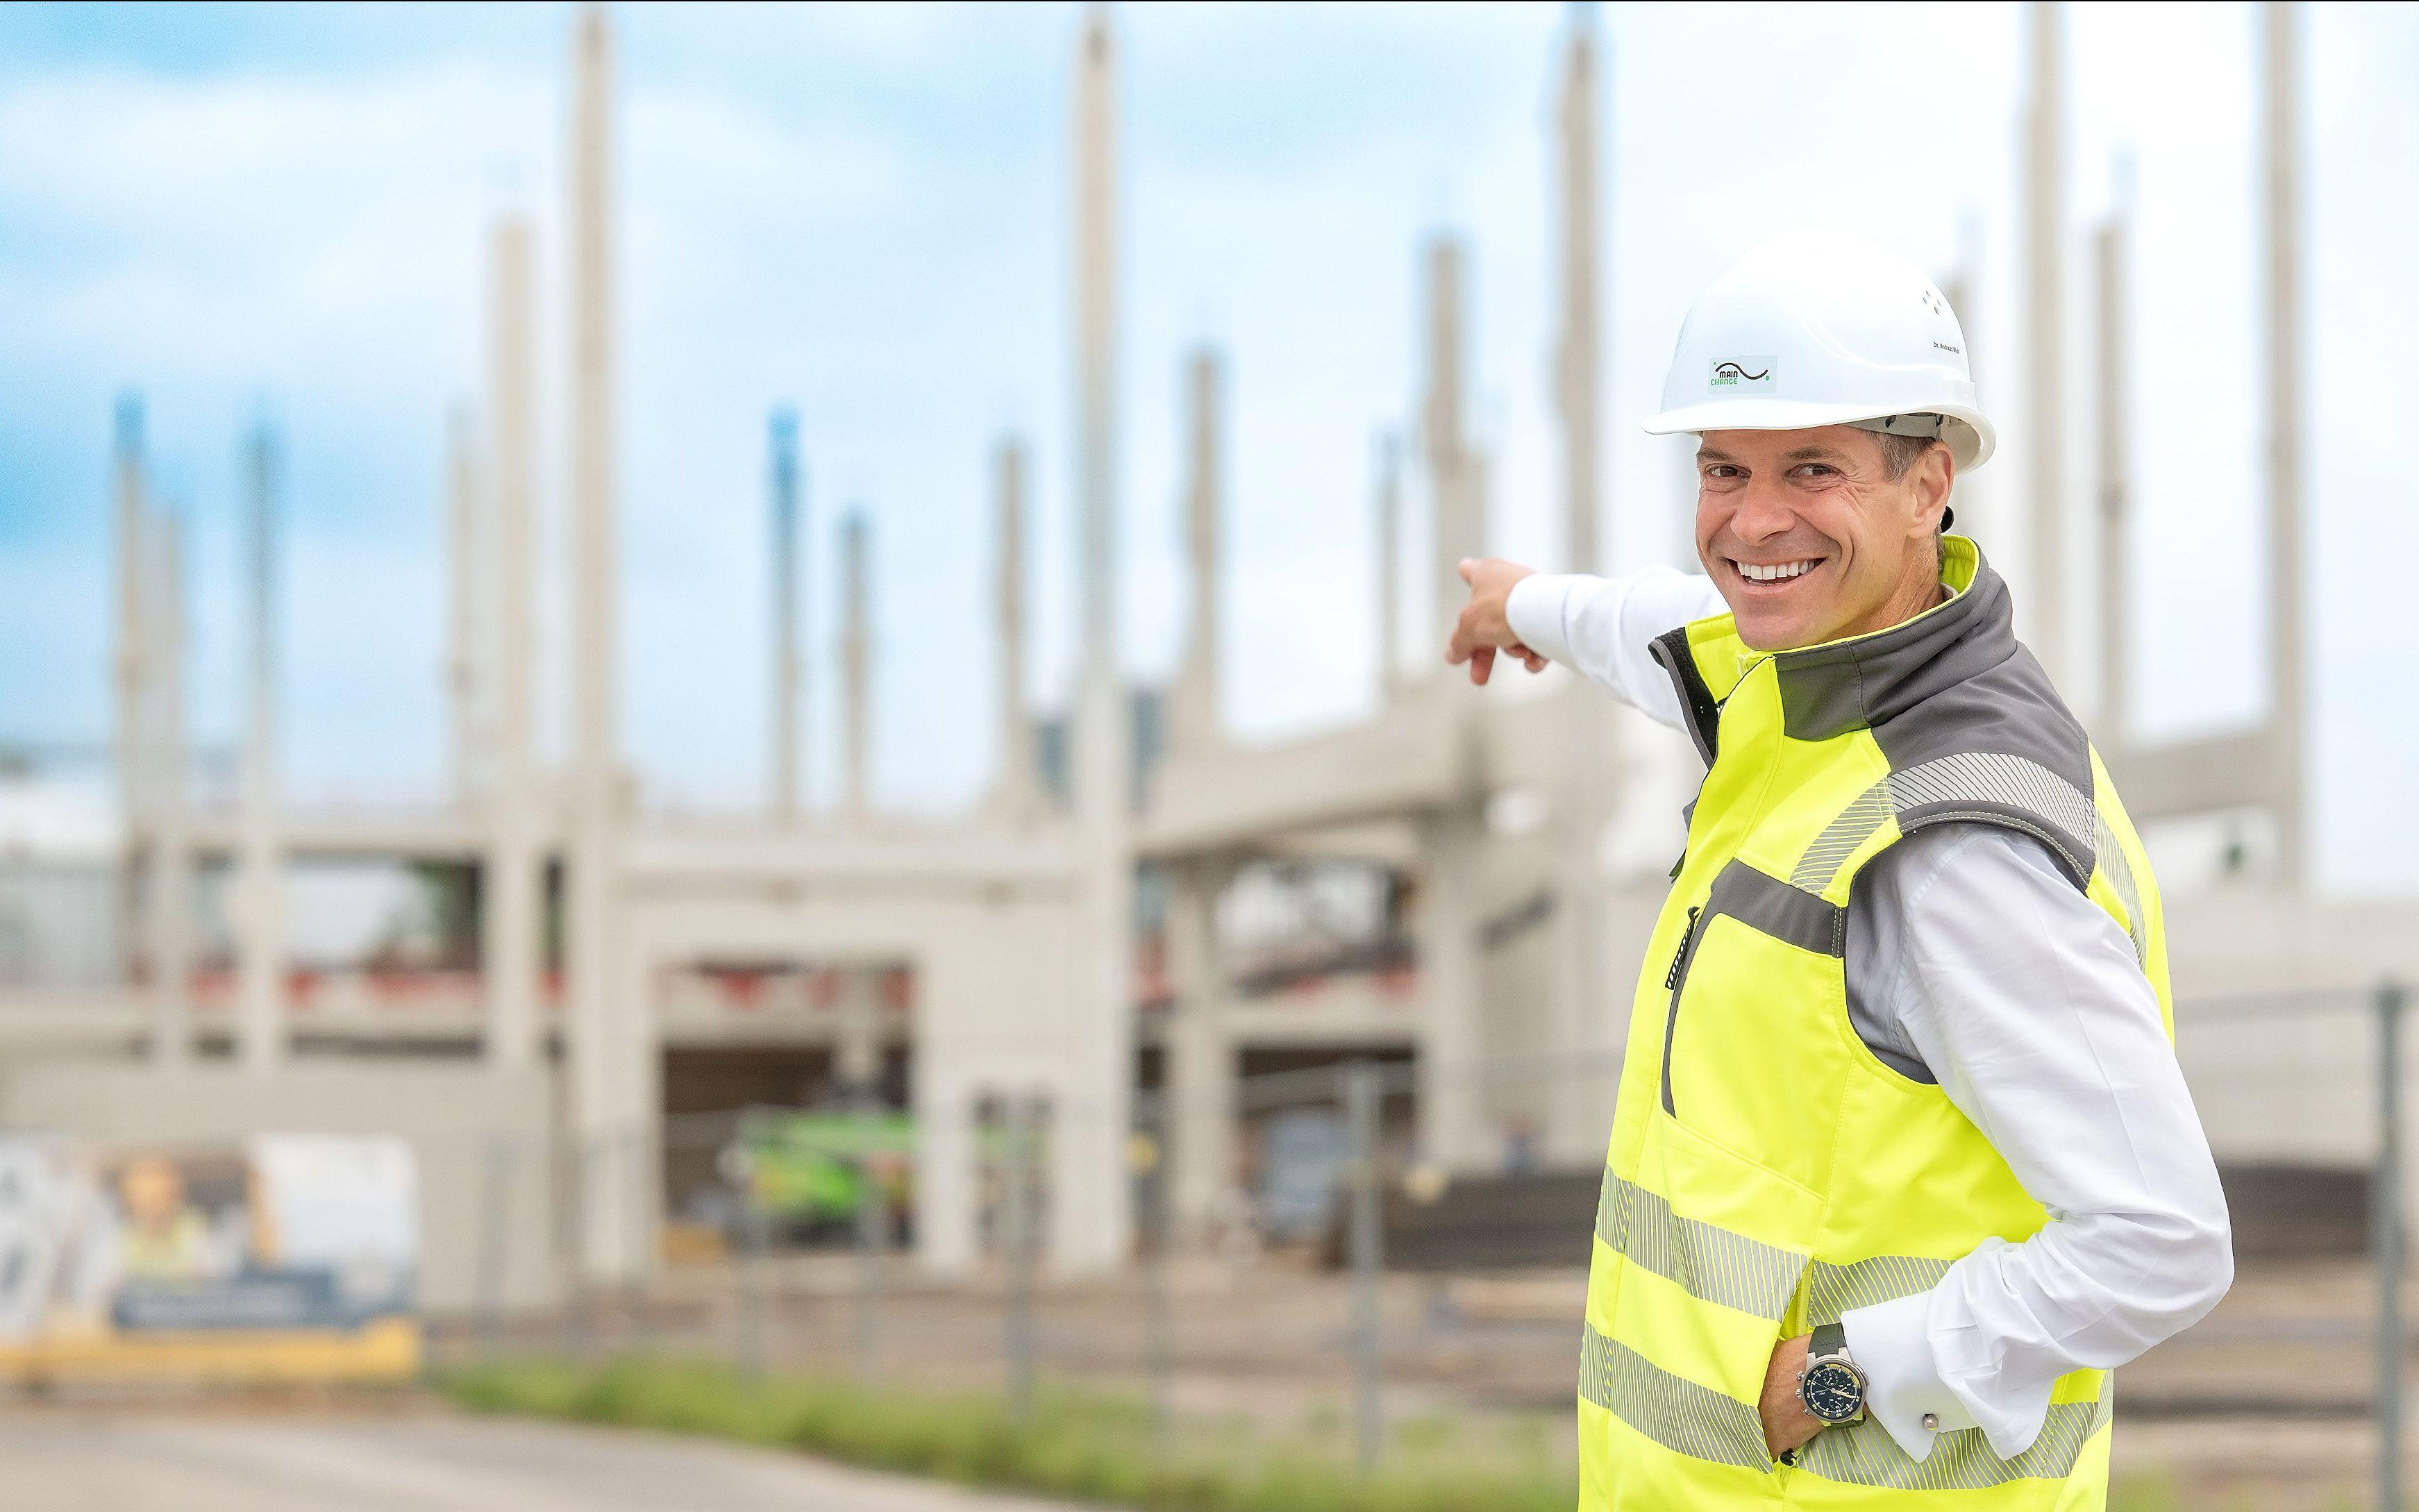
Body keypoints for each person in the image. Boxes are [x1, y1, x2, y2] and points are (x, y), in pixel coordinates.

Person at [1448, 232, 2231, 1506]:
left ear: (1929, 482)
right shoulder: (1801, 683)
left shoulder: (1950, 842)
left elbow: (2162, 1242)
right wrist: (1523, 604)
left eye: (1811, 468)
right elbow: (1659, 630)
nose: (1753, 521)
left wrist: (1844, 1375)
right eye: (1721, 469)